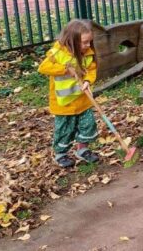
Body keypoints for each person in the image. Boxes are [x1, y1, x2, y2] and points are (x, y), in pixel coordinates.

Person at [38, 20, 100, 168]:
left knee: (88, 125)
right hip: (63, 102)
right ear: (71, 41)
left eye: (89, 42)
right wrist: (65, 69)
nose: (87, 46)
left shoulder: (88, 54)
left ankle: (82, 149)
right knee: (65, 129)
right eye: (84, 42)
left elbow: (91, 70)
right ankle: (61, 154)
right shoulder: (58, 54)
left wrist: (87, 81)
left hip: (82, 99)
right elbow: (43, 67)